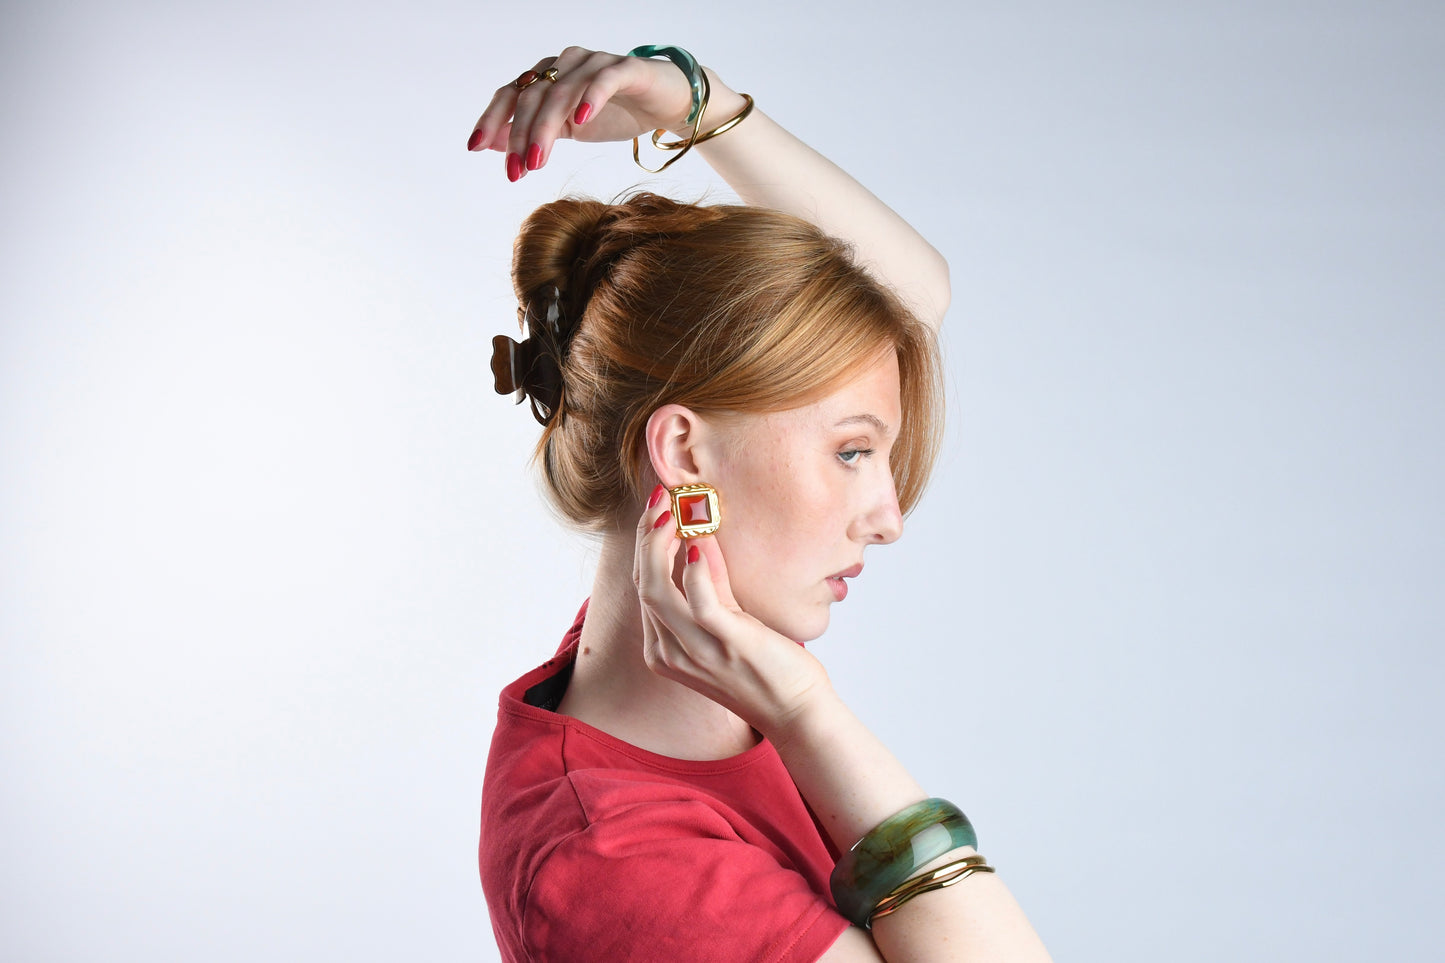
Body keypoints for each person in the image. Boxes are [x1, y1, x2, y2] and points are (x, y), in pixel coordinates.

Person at [469, 45, 1052, 962]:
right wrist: (809, 715)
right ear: (682, 451)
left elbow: (907, 295)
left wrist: (695, 107)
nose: (887, 518)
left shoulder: (663, 649)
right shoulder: (620, 862)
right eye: (852, 451)